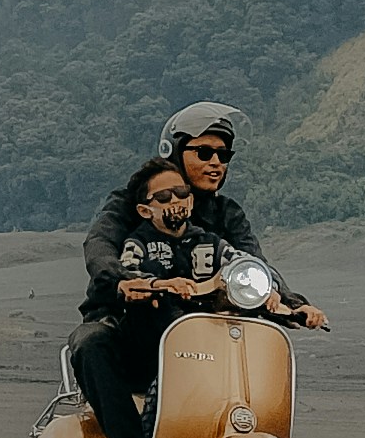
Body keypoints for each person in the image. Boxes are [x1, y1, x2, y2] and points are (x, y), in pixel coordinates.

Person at [76, 101, 331, 332]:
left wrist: (292, 302)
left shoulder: (226, 213)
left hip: (211, 319)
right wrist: (125, 281)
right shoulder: (132, 201)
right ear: (175, 152)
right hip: (130, 316)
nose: (216, 162)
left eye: (223, 155)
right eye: (204, 153)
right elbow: (100, 244)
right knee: (92, 343)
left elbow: (253, 263)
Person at [68, 158, 228, 438]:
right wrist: (138, 284)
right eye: (165, 197)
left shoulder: (212, 236)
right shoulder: (130, 232)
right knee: (91, 341)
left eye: (181, 192)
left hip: (204, 341)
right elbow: (105, 254)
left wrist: (283, 298)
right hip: (143, 339)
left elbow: (246, 260)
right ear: (144, 209)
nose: (176, 201)